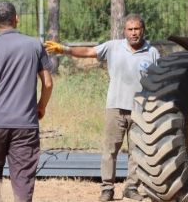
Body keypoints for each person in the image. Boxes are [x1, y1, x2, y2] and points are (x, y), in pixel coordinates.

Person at [44, 14, 159, 202]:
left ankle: (131, 188)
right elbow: (89, 52)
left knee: (137, 153)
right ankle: (107, 188)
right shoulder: (113, 47)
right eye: (130, 29)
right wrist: (64, 49)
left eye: (136, 29)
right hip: (115, 107)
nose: (133, 33)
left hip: (141, 111)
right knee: (109, 150)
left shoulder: (152, 52)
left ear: (143, 30)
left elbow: (159, 81)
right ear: (124, 31)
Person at [0, 1, 54, 202]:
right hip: (26, 124)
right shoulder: (34, 45)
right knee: (23, 176)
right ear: (16, 19)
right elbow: (47, 83)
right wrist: (41, 106)